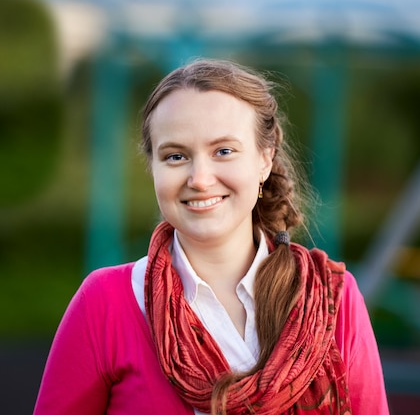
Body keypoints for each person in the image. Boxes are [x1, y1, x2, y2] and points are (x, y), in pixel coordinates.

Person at [33, 59, 389, 415]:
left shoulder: (331, 299)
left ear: (264, 160)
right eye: (175, 156)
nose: (200, 178)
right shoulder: (105, 303)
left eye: (224, 151)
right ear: (153, 168)